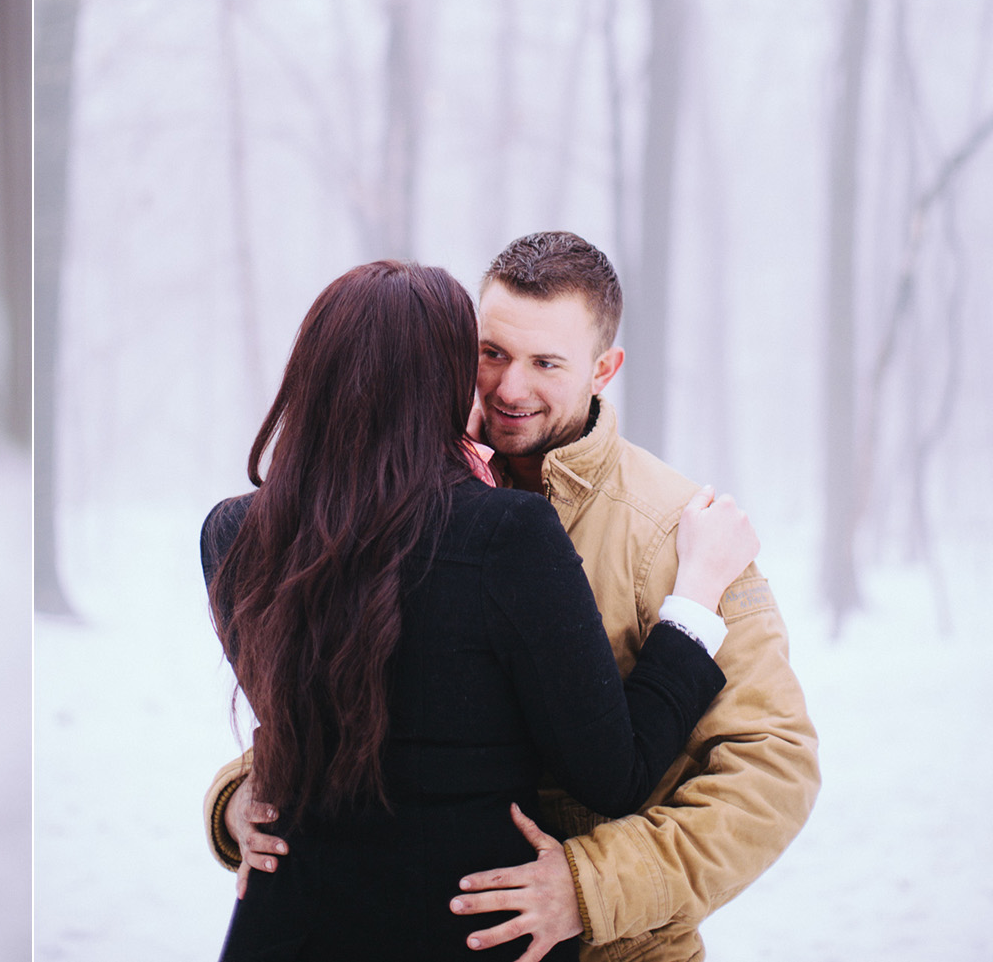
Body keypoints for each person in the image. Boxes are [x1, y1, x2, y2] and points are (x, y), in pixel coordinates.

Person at [204, 232, 819, 961]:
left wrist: (593, 886)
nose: (509, 387)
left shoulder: (679, 534)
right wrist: (241, 797)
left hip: (618, 946)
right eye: (491, 353)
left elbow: (772, 767)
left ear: (604, 369)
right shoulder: (378, 506)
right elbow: (353, 705)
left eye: (546, 364)